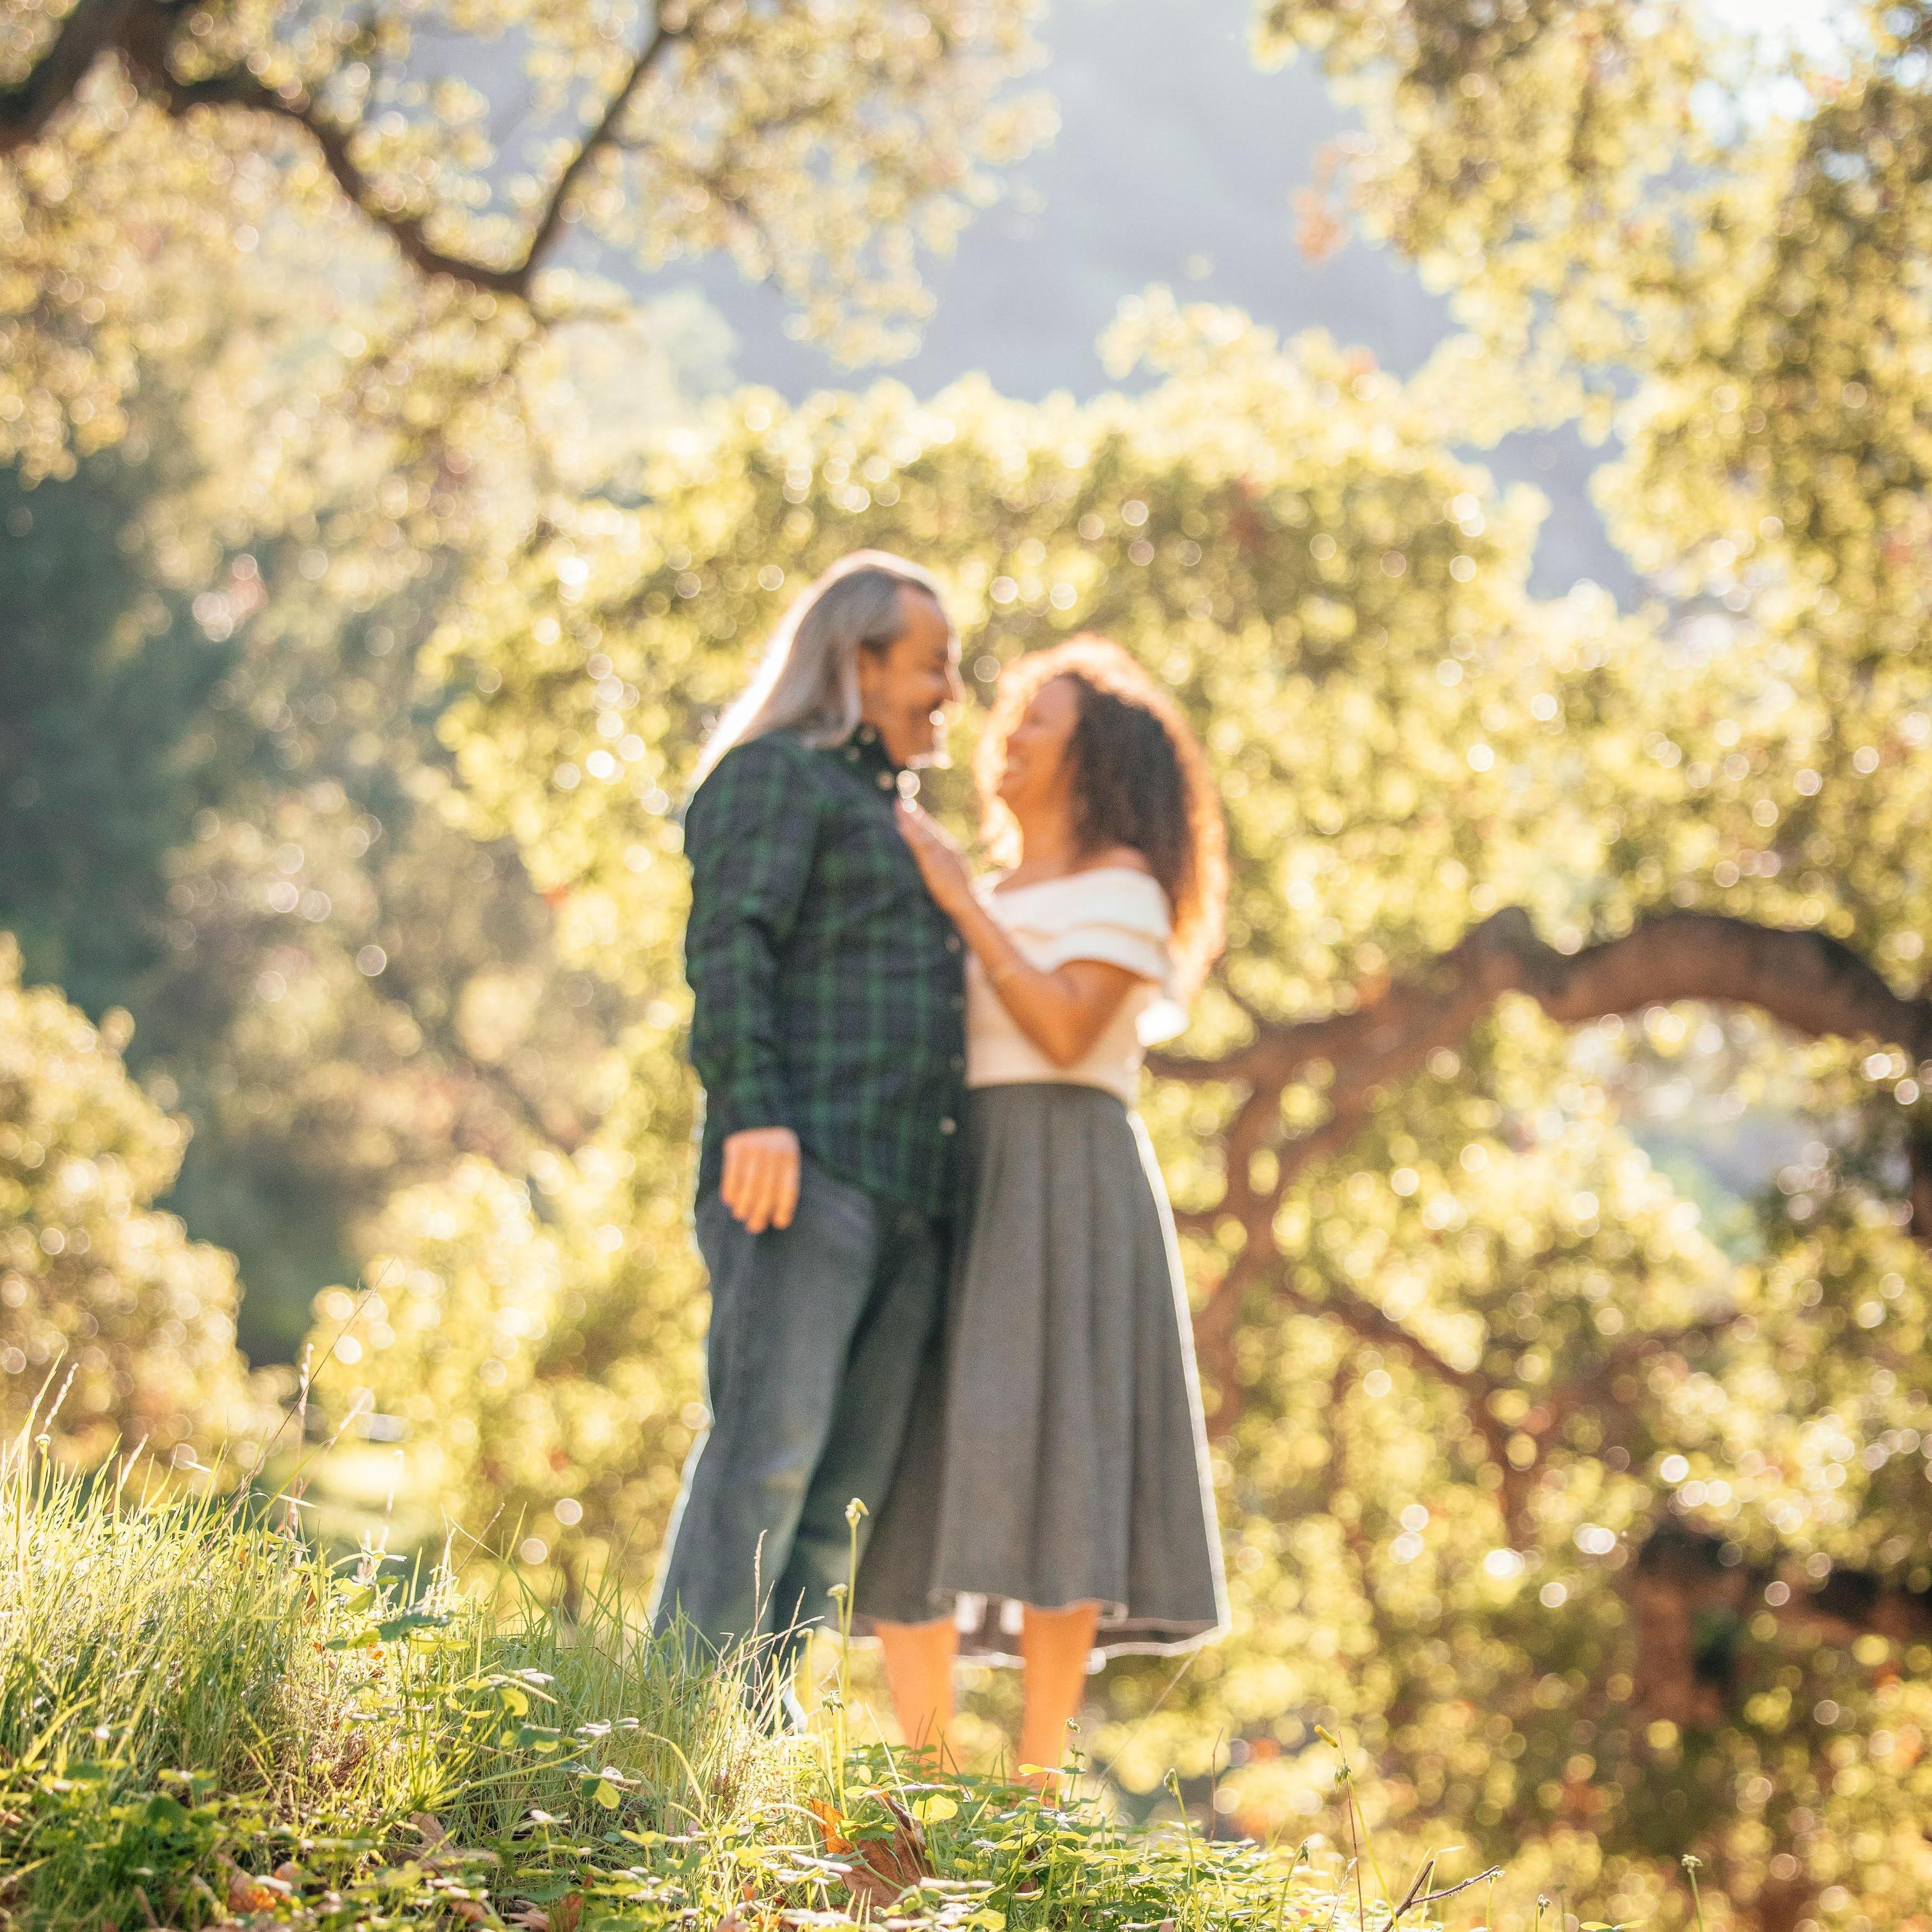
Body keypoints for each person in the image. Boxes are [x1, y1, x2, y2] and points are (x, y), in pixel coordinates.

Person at [856, 635, 1230, 1783]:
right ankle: (923, 1775)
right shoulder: (978, 879)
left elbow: (1068, 1030)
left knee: (1063, 1445)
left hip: (1069, 1175)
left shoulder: (1122, 883)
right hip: (956, 1174)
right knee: (915, 1445)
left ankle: (1035, 1781)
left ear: (1094, 756)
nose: (1002, 739)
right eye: (1008, 717)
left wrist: (960, 900)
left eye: (1036, 724)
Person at [649, 550, 968, 1687]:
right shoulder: (774, 777)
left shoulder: (897, 817)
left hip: (907, 1200)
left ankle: (751, 1731)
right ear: (858, 659)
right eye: (934, 665)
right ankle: (671, 1725)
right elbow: (729, 944)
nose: (950, 693)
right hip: (802, 1173)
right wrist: (754, 1116)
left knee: (838, 1502)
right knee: (765, 1463)